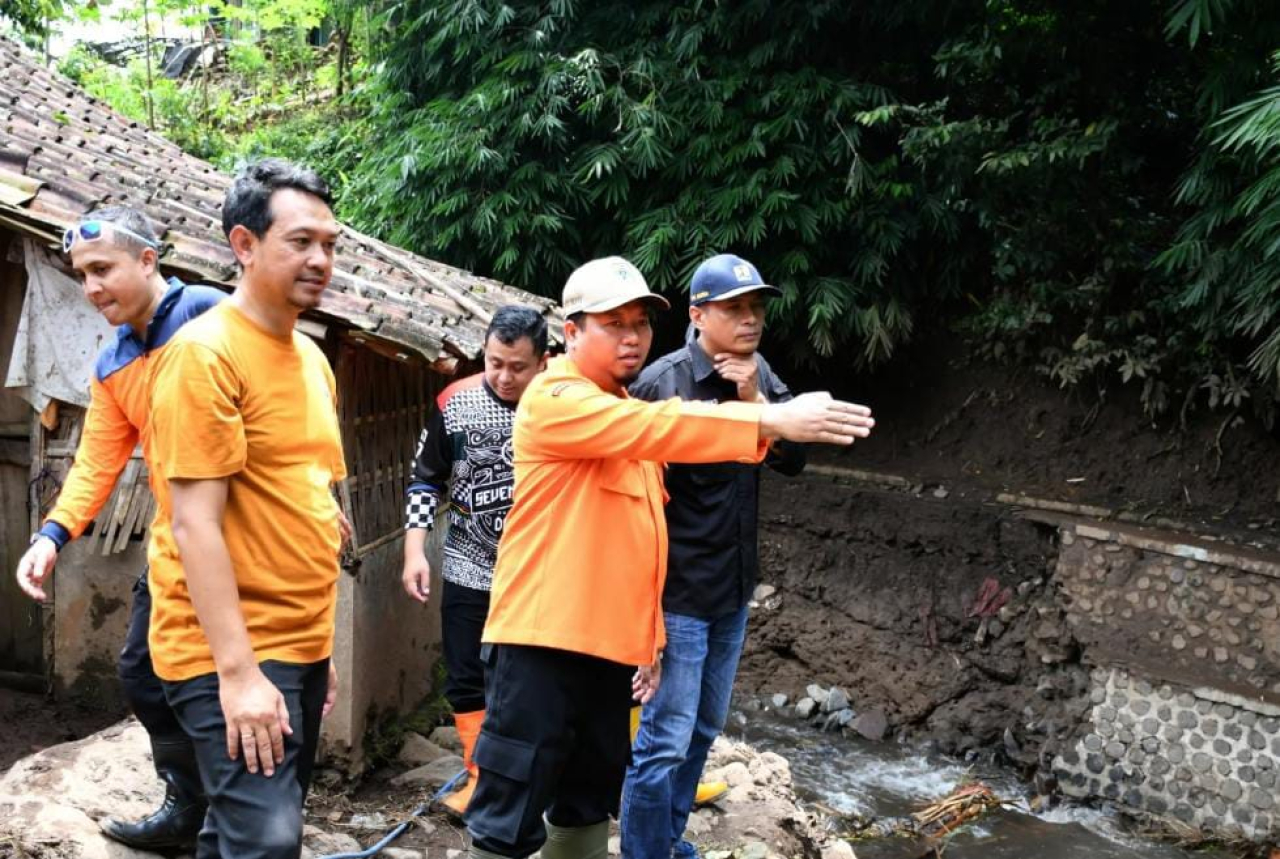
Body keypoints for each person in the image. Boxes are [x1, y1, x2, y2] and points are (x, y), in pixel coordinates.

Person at [466, 256, 874, 859]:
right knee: (510, 813)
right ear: (572, 331)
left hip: (608, 652)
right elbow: (661, 424)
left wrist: (648, 640)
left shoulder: (622, 408)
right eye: (614, 324)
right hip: (541, 645)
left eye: (640, 323)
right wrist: (769, 416)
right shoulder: (557, 397)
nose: (632, 336)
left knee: (587, 800)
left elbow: (647, 539)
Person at [146, 158, 347, 859]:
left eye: (329, 244)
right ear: (244, 244)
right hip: (227, 648)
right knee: (267, 839)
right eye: (300, 241)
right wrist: (237, 674)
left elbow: (309, 491)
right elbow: (193, 520)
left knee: (239, 831)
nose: (320, 259)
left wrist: (319, 650)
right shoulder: (205, 355)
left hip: (298, 641)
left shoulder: (312, 360)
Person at [13, 207, 224, 850]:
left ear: (148, 260)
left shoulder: (214, 317)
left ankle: (236, 818)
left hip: (246, 542)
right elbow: (96, 461)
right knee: (143, 672)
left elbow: (284, 409)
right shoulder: (114, 360)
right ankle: (187, 807)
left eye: (103, 269)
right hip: (175, 545)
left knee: (225, 684)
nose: (91, 287)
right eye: (82, 275)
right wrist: (51, 536)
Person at [621, 253, 807, 859]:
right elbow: (629, 503)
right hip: (677, 594)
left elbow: (794, 459)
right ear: (698, 315)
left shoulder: (759, 371)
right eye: (734, 309)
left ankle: (668, 841)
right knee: (664, 741)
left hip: (733, 590)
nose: (750, 319)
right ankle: (644, 852)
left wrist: (756, 397)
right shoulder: (662, 384)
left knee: (703, 729)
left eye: (756, 308)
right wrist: (640, 614)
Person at [401, 304, 549, 816]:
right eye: (494, 363)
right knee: (466, 674)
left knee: (526, 678)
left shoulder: (560, 407)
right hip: (468, 563)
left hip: (538, 573)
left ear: (543, 363)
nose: (504, 377)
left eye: (518, 367)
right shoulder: (455, 403)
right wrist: (414, 550)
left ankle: (532, 780)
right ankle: (479, 779)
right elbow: (425, 480)